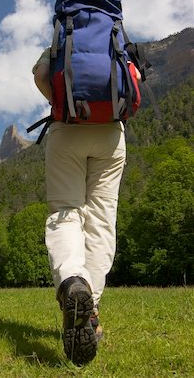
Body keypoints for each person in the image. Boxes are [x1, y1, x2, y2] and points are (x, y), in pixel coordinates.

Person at [32, 46, 140, 365]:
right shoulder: (117, 44)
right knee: (101, 220)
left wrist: (59, 102)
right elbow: (133, 82)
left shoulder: (59, 43)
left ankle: (72, 283)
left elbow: (40, 76)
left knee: (66, 212)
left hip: (67, 127)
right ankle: (90, 311)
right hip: (110, 133)